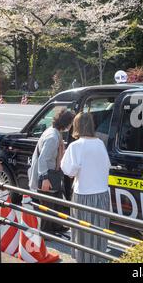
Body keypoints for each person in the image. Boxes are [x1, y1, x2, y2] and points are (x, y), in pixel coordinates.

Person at [60, 112, 111, 263]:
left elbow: (68, 171)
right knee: (98, 232)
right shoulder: (100, 143)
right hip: (102, 195)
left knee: (83, 234)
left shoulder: (75, 146)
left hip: (84, 195)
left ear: (76, 126)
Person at [28, 108, 75, 233]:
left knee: (56, 202)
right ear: (67, 123)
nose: (72, 126)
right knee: (48, 206)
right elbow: (43, 159)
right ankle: (46, 233)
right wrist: (44, 178)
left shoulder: (53, 132)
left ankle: (57, 226)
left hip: (52, 173)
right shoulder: (52, 137)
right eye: (71, 123)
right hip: (47, 175)